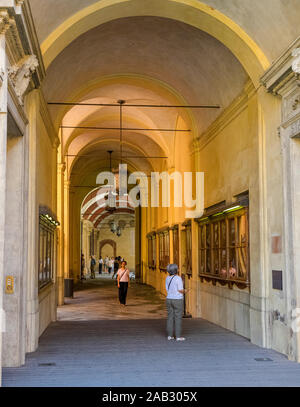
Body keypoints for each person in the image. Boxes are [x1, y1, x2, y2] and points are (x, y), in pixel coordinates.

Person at [165, 264, 188, 341]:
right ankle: (178, 336)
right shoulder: (178, 278)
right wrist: (186, 291)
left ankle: (170, 336)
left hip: (169, 299)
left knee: (170, 317)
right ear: (176, 270)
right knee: (178, 318)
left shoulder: (167, 278)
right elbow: (180, 290)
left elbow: (167, 289)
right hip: (177, 299)